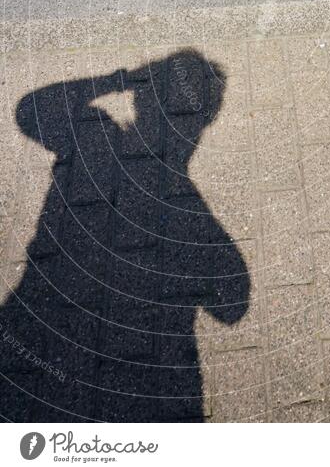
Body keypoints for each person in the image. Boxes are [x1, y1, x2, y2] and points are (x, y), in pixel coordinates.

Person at [0, 50, 249, 421]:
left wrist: (116, 80)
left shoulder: (92, 139)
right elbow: (231, 307)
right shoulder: (185, 205)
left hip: (34, 336)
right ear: (204, 123)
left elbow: (30, 110)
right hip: (161, 388)